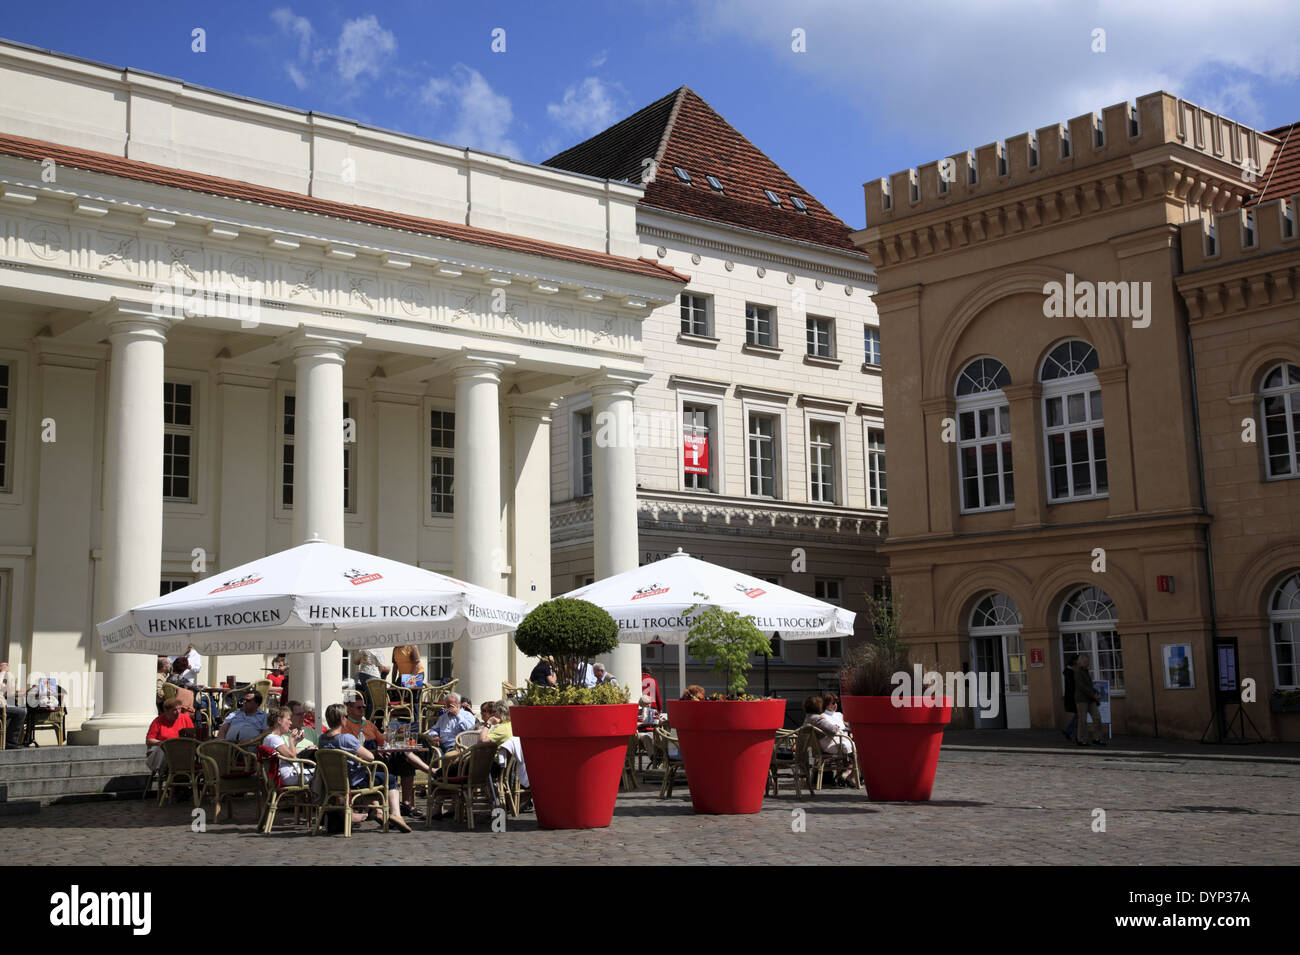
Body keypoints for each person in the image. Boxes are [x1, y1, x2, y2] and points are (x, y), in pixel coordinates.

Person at [317, 703, 412, 833]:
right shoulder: (346, 739)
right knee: (390, 779)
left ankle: (377, 811)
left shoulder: (322, 739)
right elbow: (370, 757)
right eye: (346, 716)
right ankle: (396, 814)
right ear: (341, 719)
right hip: (354, 781)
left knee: (372, 779)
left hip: (332, 783)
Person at [479, 701, 529, 789]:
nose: (492, 714)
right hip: (515, 766)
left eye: (494, 712)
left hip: (500, 766)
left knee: (459, 768)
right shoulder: (515, 725)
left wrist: (488, 723)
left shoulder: (502, 728)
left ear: (500, 713)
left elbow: (481, 741)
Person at [261, 704, 312, 785]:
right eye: (288, 719)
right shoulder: (274, 739)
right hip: (288, 776)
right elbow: (292, 757)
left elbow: (289, 755)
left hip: (285, 774)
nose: (290, 723)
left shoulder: (272, 738)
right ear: (279, 720)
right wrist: (291, 740)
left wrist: (295, 742)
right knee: (322, 774)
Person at [145, 697, 194, 773]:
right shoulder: (158, 721)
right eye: (175, 710)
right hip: (164, 748)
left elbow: (193, 734)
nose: (178, 712)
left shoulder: (185, 718)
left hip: (182, 749)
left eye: (179, 709)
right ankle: (166, 772)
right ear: (166, 711)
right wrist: (162, 743)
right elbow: (149, 740)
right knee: (163, 750)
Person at [1073, 655, 1106, 746]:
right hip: (1081, 699)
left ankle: (1097, 737)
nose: (1088, 663)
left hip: (1090, 699)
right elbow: (1082, 687)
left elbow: (1089, 686)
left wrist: (1095, 692)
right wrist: (1093, 695)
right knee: (1082, 720)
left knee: (1097, 717)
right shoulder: (1078, 672)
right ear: (1081, 662)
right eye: (1086, 661)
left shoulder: (1085, 671)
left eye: (1088, 661)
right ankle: (1081, 739)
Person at [1, 662, 28, 749]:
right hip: (1, 707)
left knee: (16, 711)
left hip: (3, 706)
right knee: (21, 712)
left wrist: (8, 674)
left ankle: (6, 740)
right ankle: (10, 741)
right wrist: (3, 672)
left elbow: (10, 692)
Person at [1062, 654, 1079, 741]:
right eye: (1077, 660)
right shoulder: (1069, 672)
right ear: (1074, 661)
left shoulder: (1070, 671)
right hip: (1072, 697)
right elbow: (1072, 686)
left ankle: (1067, 730)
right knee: (1079, 715)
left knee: (1078, 715)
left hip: (1072, 697)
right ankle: (1076, 734)